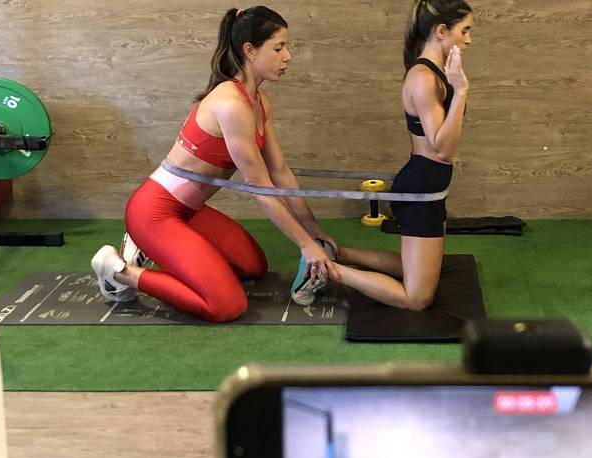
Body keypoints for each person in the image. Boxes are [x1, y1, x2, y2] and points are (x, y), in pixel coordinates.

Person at [91, 6, 339, 323]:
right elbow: (261, 188)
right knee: (227, 305)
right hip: (154, 212)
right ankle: (119, 272)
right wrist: (305, 245)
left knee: (253, 267)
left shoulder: (260, 101)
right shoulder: (230, 104)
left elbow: (280, 173)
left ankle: (155, 249)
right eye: (279, 47)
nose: (287, 56)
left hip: (189, 213)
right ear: (250, 51)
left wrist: (314, 231)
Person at [321, 0, 473, 311]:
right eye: (465, 30)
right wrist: (461, 91)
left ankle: (339, 254)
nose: (469, 39)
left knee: (416, 268)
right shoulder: (423, 77)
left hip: (429, 184)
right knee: (417, 299)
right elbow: (441, 146)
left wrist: (457, 88)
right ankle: (329, 270)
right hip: (420, 189)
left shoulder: (436, 73)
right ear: (442, 31)